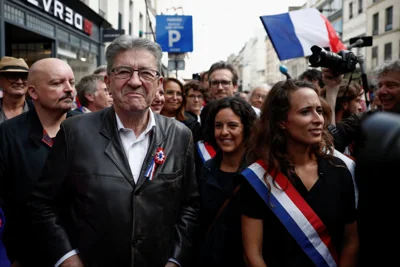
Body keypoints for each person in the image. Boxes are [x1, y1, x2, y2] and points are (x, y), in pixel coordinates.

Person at [28, 35, 199, 267]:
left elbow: (189, 205)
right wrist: (68, 259)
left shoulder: (180, 135)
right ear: (107, 82)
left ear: (159, 84)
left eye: (146, 73)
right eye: (123, 72)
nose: (135, 82)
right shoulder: (75, 132)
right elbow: (43, 204)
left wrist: (174, 260)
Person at [241, 79, 359, 267]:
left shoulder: (340, 170)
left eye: (319, 111)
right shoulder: (259, 177)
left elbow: (350, 242)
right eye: (305, 112)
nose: (318, 119)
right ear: (281, 121)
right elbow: (252, 253)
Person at [0, 58, 79, 266]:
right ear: (33, 92)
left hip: (82, 252)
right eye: (57, 83)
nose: (69, 89)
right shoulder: (7, 135)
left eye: (72, 82)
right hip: (30, 253)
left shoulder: (88, 129)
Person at [196, 97, 257, 267]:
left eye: (232, 126)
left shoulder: (259, 173)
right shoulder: (206, 169)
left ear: (247, 129)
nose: (224, 132)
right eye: (218, 126)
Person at [325, 59, 400, 157]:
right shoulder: (367, 119)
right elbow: (329, 140)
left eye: (390, 85)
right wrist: (332, 88)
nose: (381, 91)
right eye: (380, 86)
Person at [0, 56, 31, 124]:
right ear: (1, 81)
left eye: (24, 77)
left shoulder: (39, 111)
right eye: (12, 76)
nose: (19, 82)